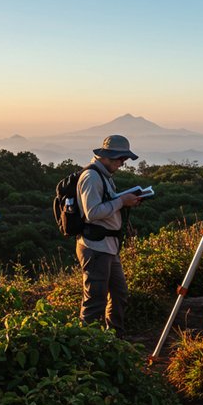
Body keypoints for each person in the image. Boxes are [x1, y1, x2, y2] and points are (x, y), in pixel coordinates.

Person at [77, 135, 143, 333]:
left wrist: (126, 199)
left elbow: (107, 204)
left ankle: (114, 340)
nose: (123, 164)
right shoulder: (91, 177)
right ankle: (86, 347)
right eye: (121, 159)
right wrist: (122, 202)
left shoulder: (103, 175)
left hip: (108, 246)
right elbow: (93, 212)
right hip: (95, 247)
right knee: (95, 300)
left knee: (119, 293)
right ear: (107, 156)